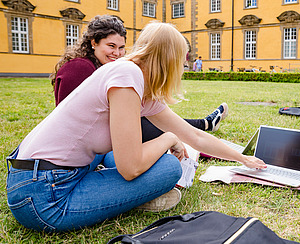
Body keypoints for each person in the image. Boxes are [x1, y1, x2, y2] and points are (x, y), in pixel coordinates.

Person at [6, 22, 266, 232]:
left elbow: (196, 136)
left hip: (38, 176)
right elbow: (129, 168)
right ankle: (141, 198)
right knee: (168, 168)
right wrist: (168, 138)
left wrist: (242, 158)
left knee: (134, 156)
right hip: (45, 197)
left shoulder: (135, 82)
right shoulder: (127, 76)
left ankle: (131, 196)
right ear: (171, 60)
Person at [51, 15, 226, 134]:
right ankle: (204, 124)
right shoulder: (79, 68)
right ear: (93, 43)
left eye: (121, 47)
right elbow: (70, 121)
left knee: (152, 119)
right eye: (111, 46)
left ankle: (204, 125)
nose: (117, 53)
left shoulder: (100, 67)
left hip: (103, 138)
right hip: (88, 147)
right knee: (147, 124)